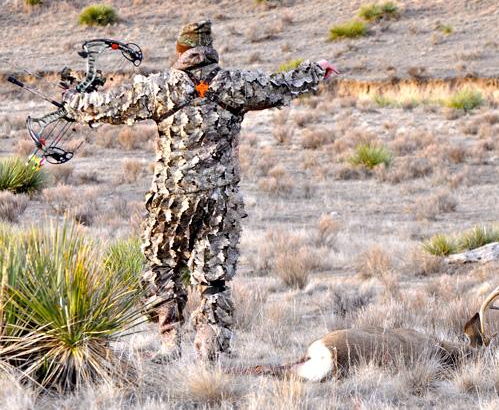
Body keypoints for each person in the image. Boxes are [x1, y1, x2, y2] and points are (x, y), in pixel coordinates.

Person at [62, 20, 337, 362]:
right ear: (210, 50)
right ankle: (210, 354)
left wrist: (72, 100)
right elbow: (279, 85)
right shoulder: (236, 84)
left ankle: (168, 343)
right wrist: (316, 71)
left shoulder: (158, 88)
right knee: (213, 277)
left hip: (171, 201)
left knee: (161, 266)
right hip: (219, 201)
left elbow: (105, 107)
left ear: (180, 51)